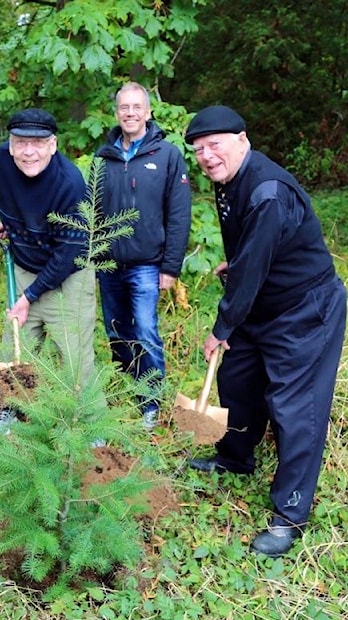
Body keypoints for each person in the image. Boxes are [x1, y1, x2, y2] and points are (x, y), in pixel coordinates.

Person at [183, 105, 347, 558]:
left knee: (294, 405)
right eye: (198, 150)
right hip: (261, 303)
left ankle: (290, 514)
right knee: (237, 380)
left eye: (214, 145)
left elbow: (255, 265)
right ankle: (235, 457)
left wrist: (222, 326)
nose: (207, 156)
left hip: (303, 310)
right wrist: (236, 265)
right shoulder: (229, 181)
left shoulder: (268, 191)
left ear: (242, 139)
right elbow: (252, 250)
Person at [95, 82, 192, 430]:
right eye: (124, 107)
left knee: (146, 330)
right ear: (117, 113)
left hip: (147, 264)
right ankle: (126, 385)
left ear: (148, 112)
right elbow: (92, 210)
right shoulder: (103, 157)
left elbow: (179, 215)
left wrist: (171, 267)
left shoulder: (167, 156)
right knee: (116, 330)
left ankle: (151, 400)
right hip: (108, 264)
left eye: (137, 107)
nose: (130, 113)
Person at [0, 108, 95, 390]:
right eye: (21, 143)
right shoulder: (4, 159)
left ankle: (85, 422)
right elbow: (13, 195)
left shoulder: (70, 183)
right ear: (10, 145)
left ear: (53, 145)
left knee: (74, 355)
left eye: (37, 143)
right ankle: (11, 413)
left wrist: (28, 298)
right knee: (14, 346)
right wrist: (11, 222)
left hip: (69, 275)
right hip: (26, 265)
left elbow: (66, 255)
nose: (28, 152)